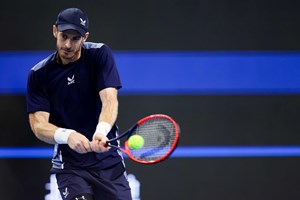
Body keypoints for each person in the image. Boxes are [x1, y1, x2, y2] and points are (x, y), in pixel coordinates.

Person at [27, 7, 132, 200]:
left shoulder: (99, 54)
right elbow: (38, 125)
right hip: (71, 167)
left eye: (75, 38)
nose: (67, 44)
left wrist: (100, 131)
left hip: (108, 163)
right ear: (54, 31)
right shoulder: (39, 74)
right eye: (63, 36)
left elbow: (109, 100)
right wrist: (67, 135)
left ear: (85, 37)